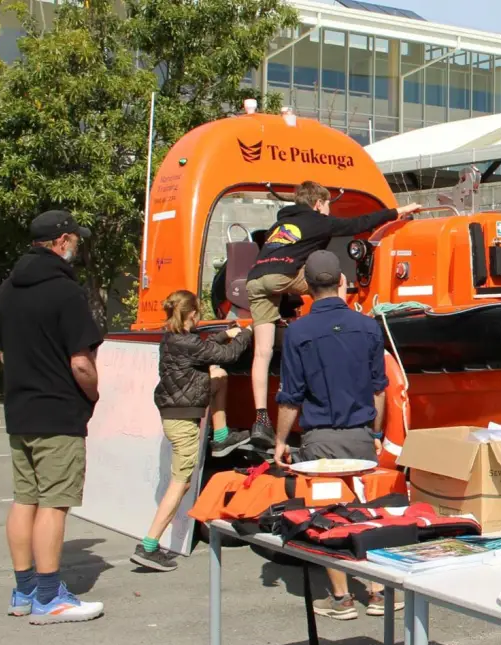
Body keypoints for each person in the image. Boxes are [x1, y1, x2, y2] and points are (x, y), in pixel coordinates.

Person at [272, 250, 402, 620]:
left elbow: (290, 396)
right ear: (342, 282)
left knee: (326, 514)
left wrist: (281, 441)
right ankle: (378, 593)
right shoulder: (369, 327)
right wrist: (375, 432)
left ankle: (342, 599)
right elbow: (380, 389)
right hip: (361, 435)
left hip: (319, 441)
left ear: (308, 288)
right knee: (367, 511)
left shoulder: (297, 332)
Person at [244, 181, 423, 448]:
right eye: (327, 205)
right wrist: (400, 210)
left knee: (262, 352)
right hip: (284, 277)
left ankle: (260, 419)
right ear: (318, 204)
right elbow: (359, 224)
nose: (328, 211)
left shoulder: (278, 225)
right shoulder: (318, 221)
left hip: (256, 277)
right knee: (330, 278)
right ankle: (340, 321)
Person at [0, 210, 105, 624]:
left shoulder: (6, 290)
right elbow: (81, 362)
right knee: (54, 505)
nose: (77, 244)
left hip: (20, 409)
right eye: (75, 238)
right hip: (58, 410)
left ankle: (24, 592)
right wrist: (93, 394)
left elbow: (4, 354)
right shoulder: (65, 292)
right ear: (61, 241)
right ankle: (48, 596)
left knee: (26, 499)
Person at [130, 290, 254, 572]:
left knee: (218, 376)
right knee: (181, 482)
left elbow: (210, 348)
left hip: (175, 412)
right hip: (183, 419)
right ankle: (149, 545)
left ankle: (221, 435)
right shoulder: (186, 343)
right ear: (193, 314)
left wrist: (226, 332)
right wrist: (247, 332)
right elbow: (229, 355)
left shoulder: (174, 339)